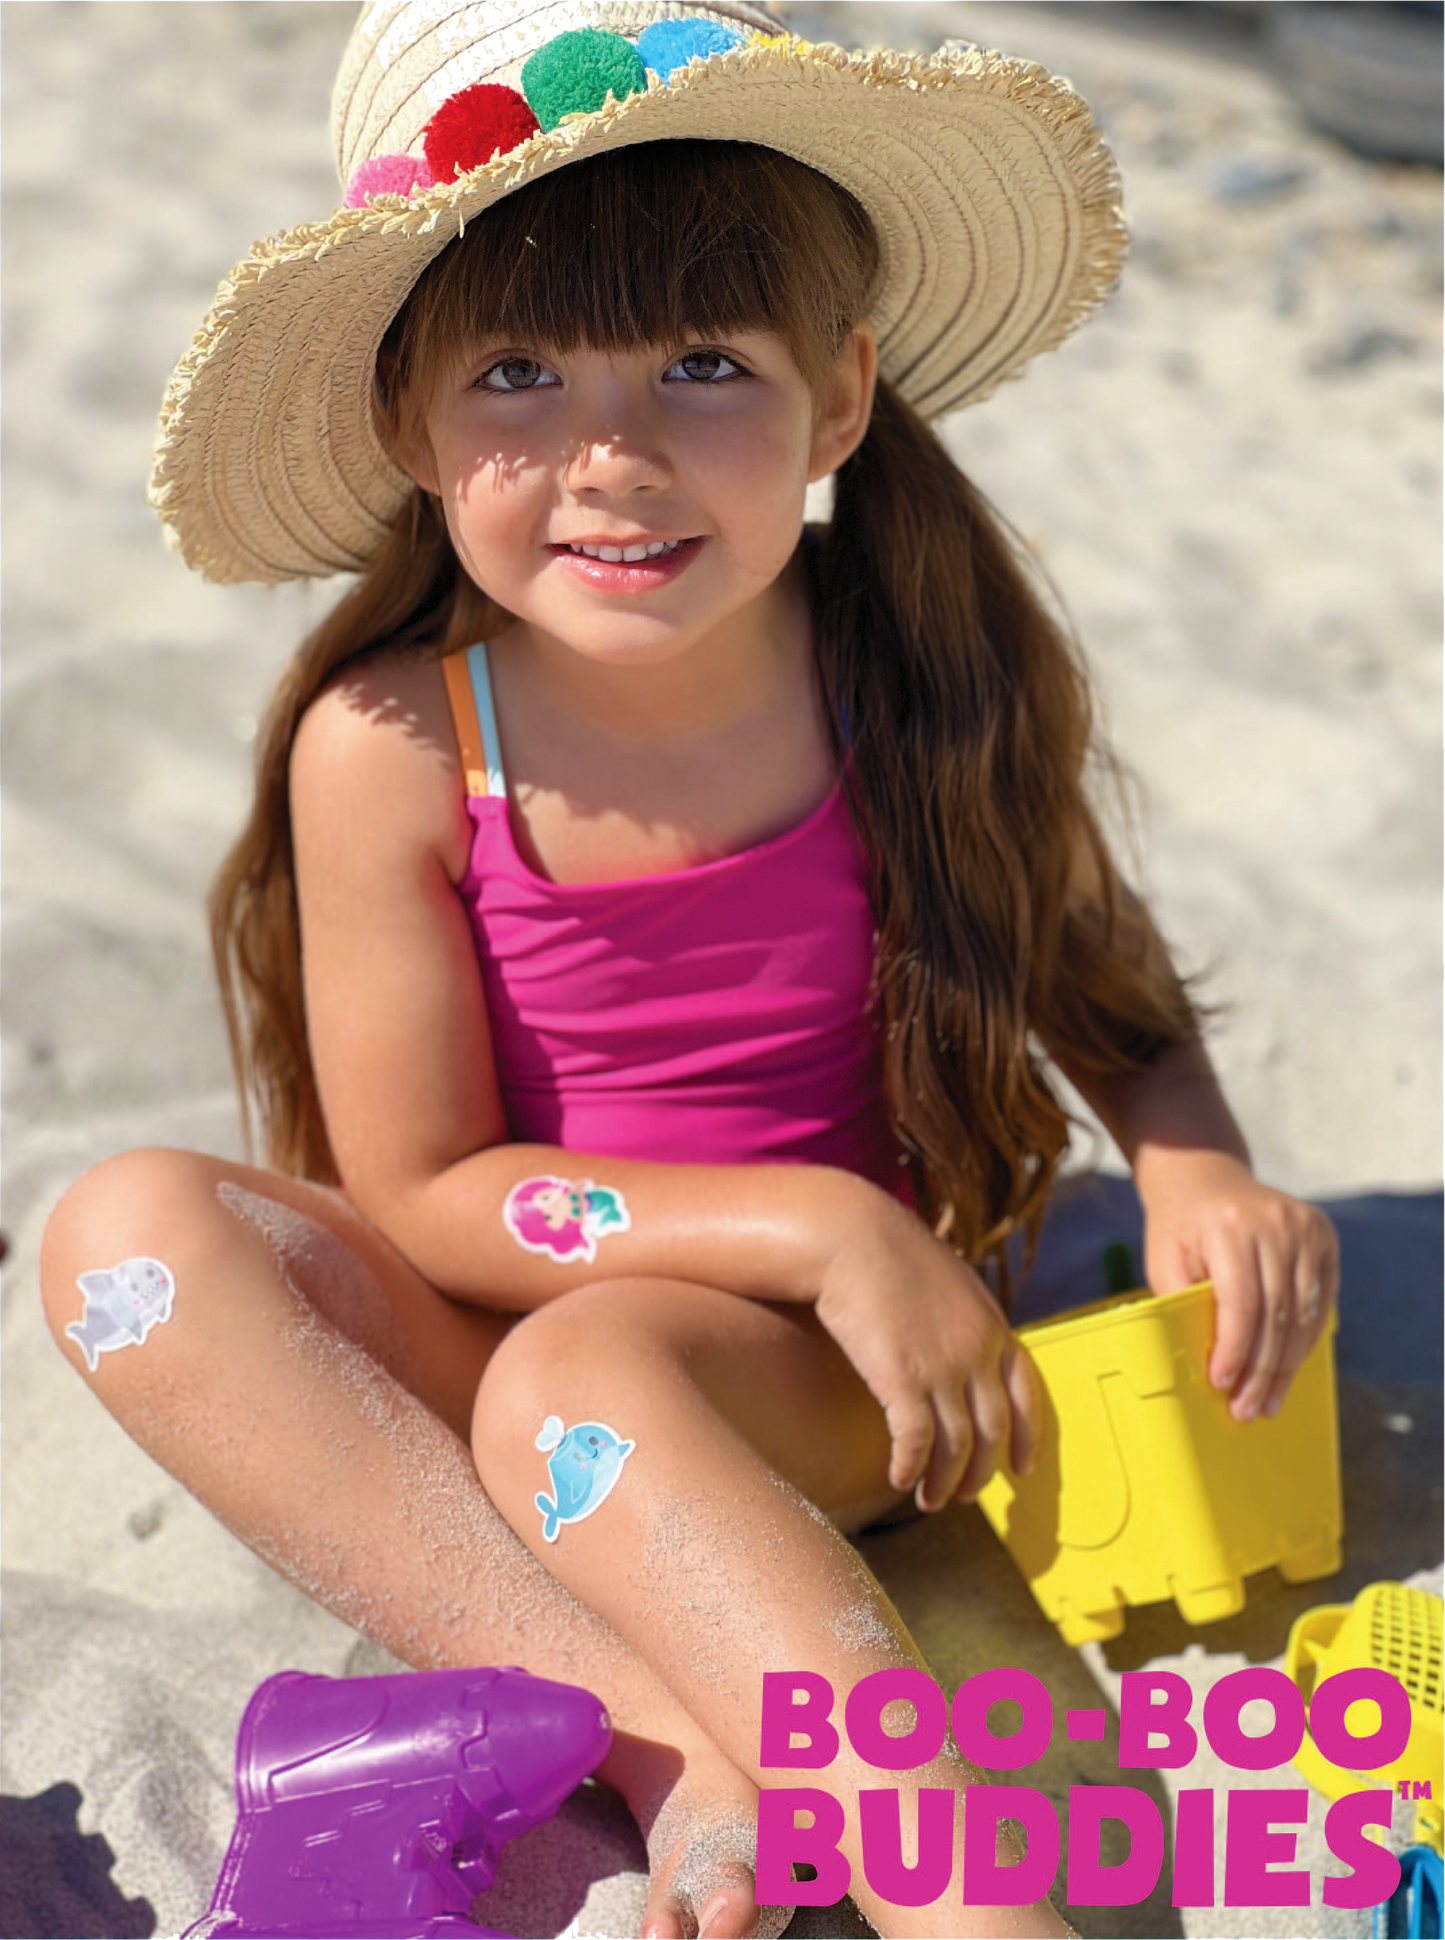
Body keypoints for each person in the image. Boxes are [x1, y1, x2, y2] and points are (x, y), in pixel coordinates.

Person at [40, 3, 1340, 1934]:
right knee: (123, 1234)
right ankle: (669, 1732)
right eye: (518, 372)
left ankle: (957, 1887)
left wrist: (1192, 1157)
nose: (612, 453)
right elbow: (418, 1195)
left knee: (591, 1367)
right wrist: (805, 1220)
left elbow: (1110, 993)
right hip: (610, 1289)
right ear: (411, 429)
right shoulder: (392, 746)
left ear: (838, 402)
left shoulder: (904, 679)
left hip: (838, 1361)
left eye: (705, 363)